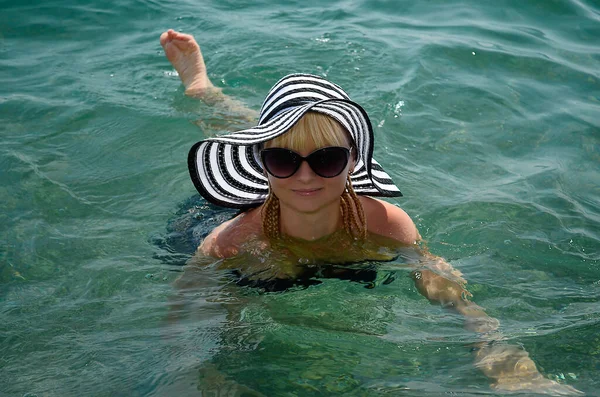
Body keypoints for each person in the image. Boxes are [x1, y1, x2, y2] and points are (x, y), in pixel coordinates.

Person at [160, 29, 582, 395]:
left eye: (326, 159)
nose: (306, 177)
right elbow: (182, 313)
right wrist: (203, 371)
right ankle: (202, 90)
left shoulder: (385, 223)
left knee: (292, 139)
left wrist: (504, 362)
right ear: (261, 167)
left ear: (352, 164)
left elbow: (450, 292)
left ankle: (216, 96)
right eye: (283, 162)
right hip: (210, 215)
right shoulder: (231, 241)